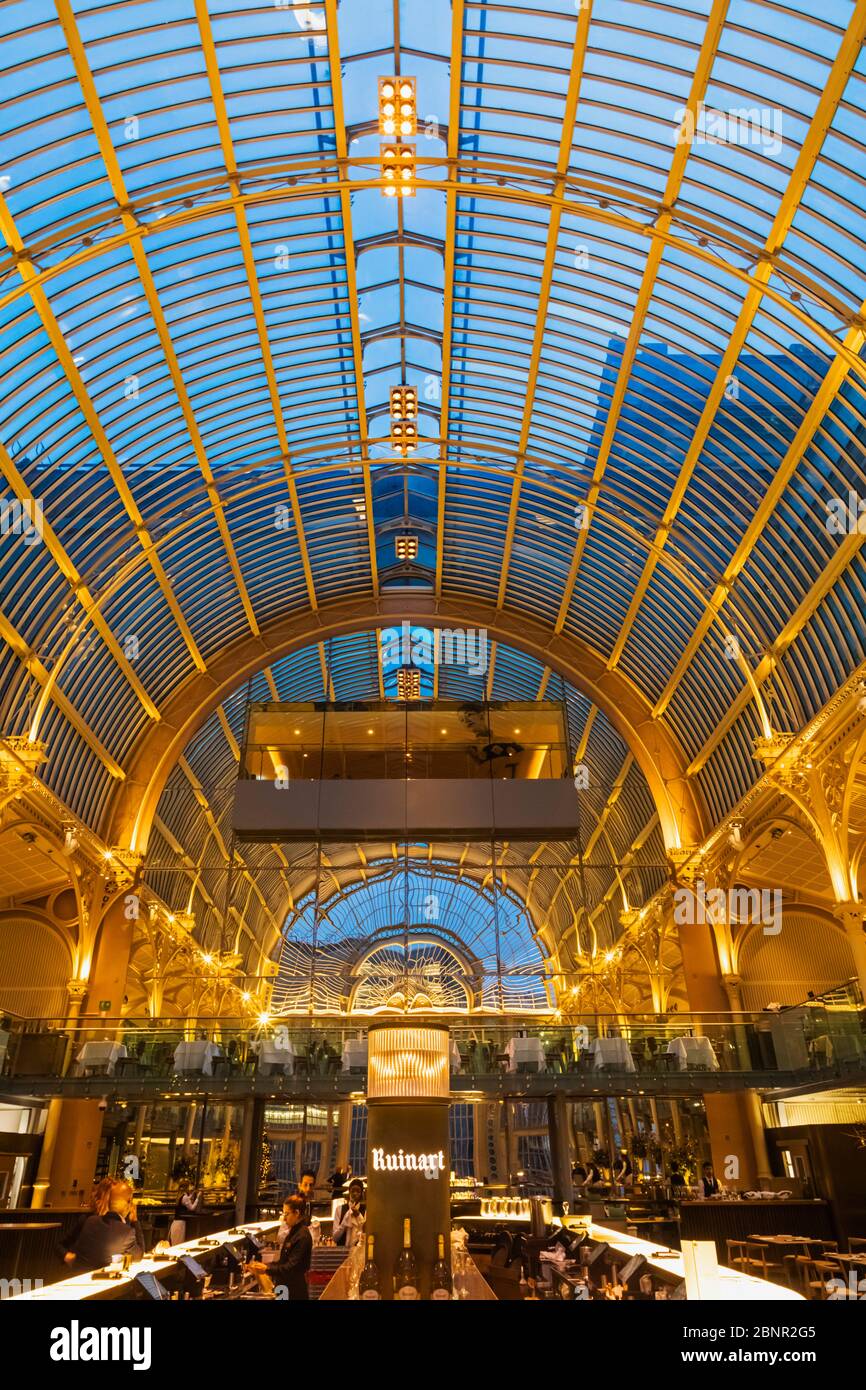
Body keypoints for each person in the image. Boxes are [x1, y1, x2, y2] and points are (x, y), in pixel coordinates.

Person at [63, 1178, 144, 1271]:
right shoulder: (89, 1220)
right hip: (83, 1274)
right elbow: (61, 1245)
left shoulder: (122, 1222)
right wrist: (67, 1255)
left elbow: (130, 1250)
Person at [248, 1195, 312, 1300]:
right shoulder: (293, 1232)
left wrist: (267, 1269)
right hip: (283, 1287)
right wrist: (265, 1266)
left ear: (297, 1213)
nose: (284, 1218)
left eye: (287, 1213)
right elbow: (283, 1262)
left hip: (293, 1291)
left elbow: (291, 1268)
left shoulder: (302, 1236)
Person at [332, 1178, 365, 1247]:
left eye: (358, 1191)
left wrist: (359, 1216)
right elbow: (335, 1238)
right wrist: (345, 1220)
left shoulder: (365, 1210)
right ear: (349, 1191)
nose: (355, 1194)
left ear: (362, 1193)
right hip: (341, 1253)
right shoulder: (339, 1209)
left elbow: (366, 1233)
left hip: (358, 1253)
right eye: (353, 1191)